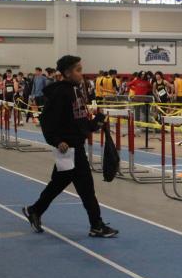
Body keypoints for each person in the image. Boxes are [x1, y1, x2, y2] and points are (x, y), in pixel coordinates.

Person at [23, 55, 117, 238]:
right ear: (67, 73)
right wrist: (57, 141)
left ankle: (35, 210)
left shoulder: (77, 91)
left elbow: (79, 122)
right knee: (86, 189)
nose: (81, 73)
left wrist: (96, 122)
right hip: (68, 149)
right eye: (78, 70)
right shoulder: (60, 93)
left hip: (76, 146)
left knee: (59, 184)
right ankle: (96, 225)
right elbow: (46, 120)